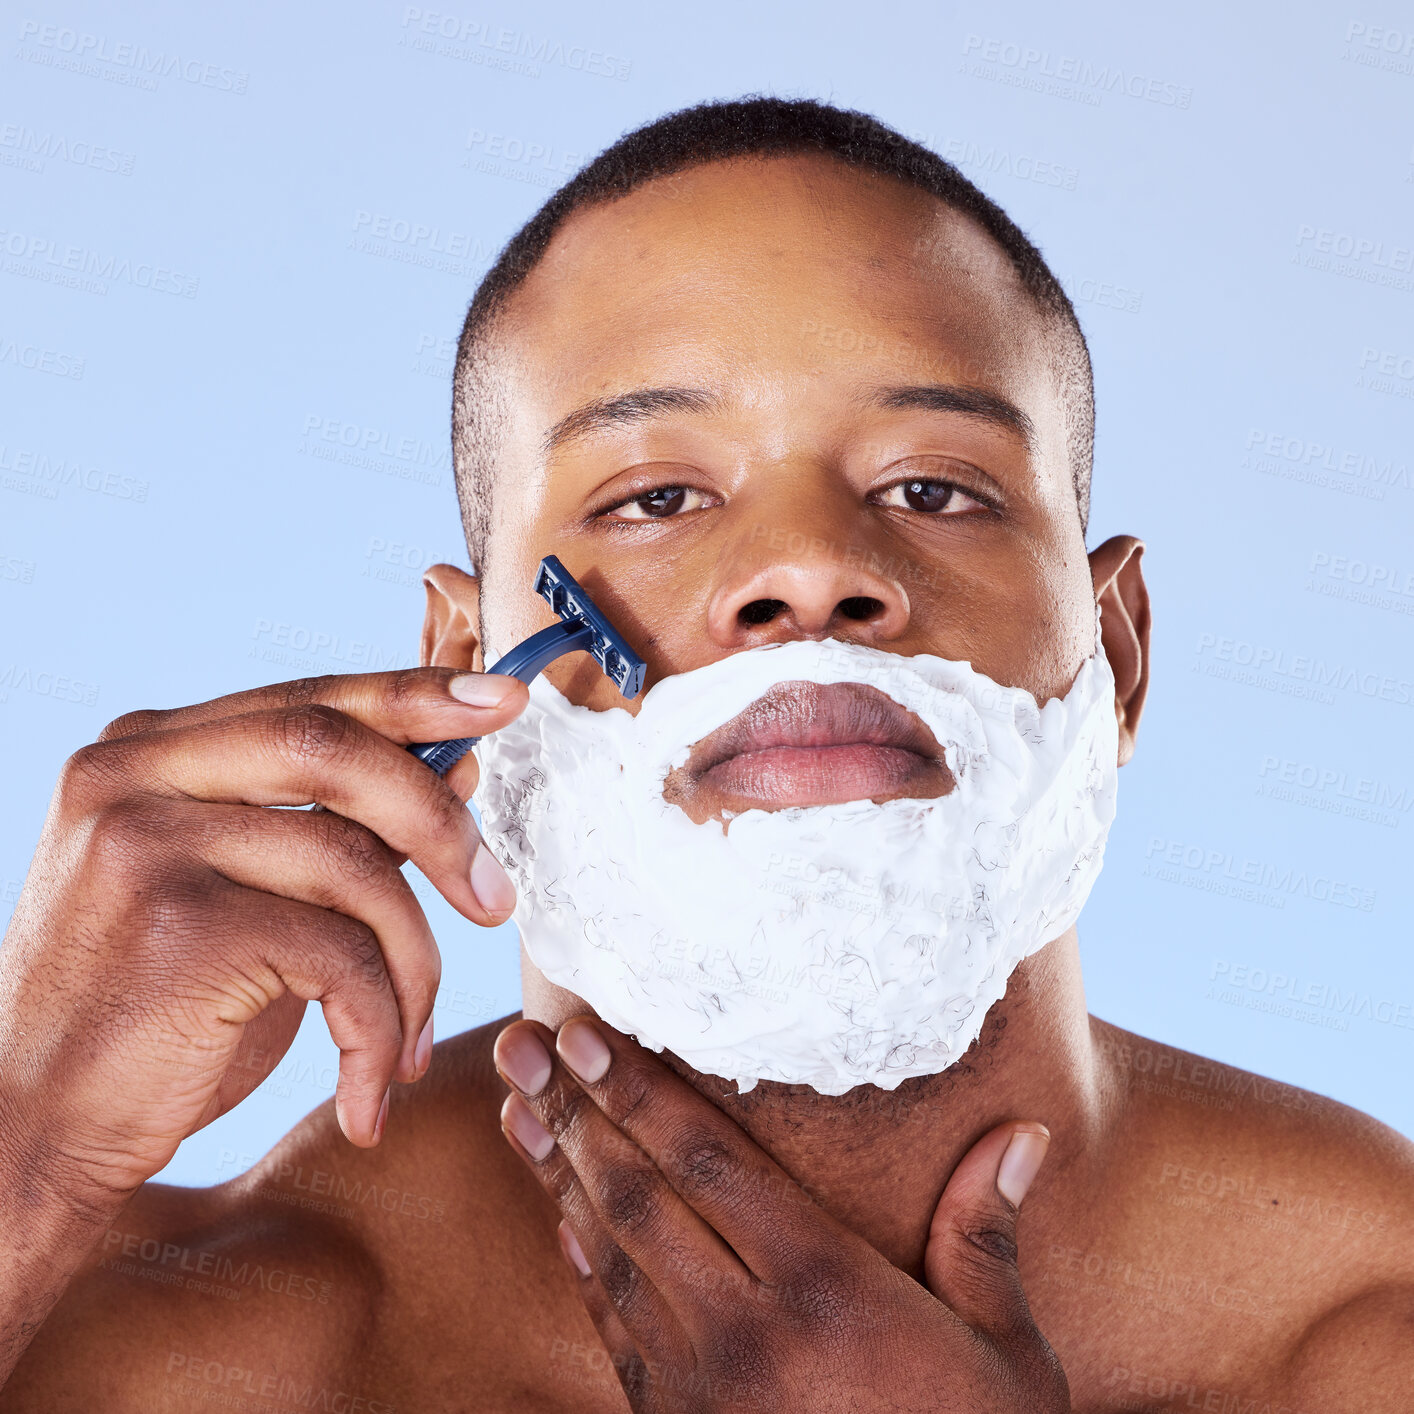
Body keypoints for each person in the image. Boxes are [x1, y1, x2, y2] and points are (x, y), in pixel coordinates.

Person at [1, 98, 1410, 1413]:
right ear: (458, 667)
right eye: (657, 495)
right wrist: (31, 1149)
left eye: (931, 488)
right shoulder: (168, 1342)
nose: (806, 570)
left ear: (1119, 656)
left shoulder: (1370, 1327)